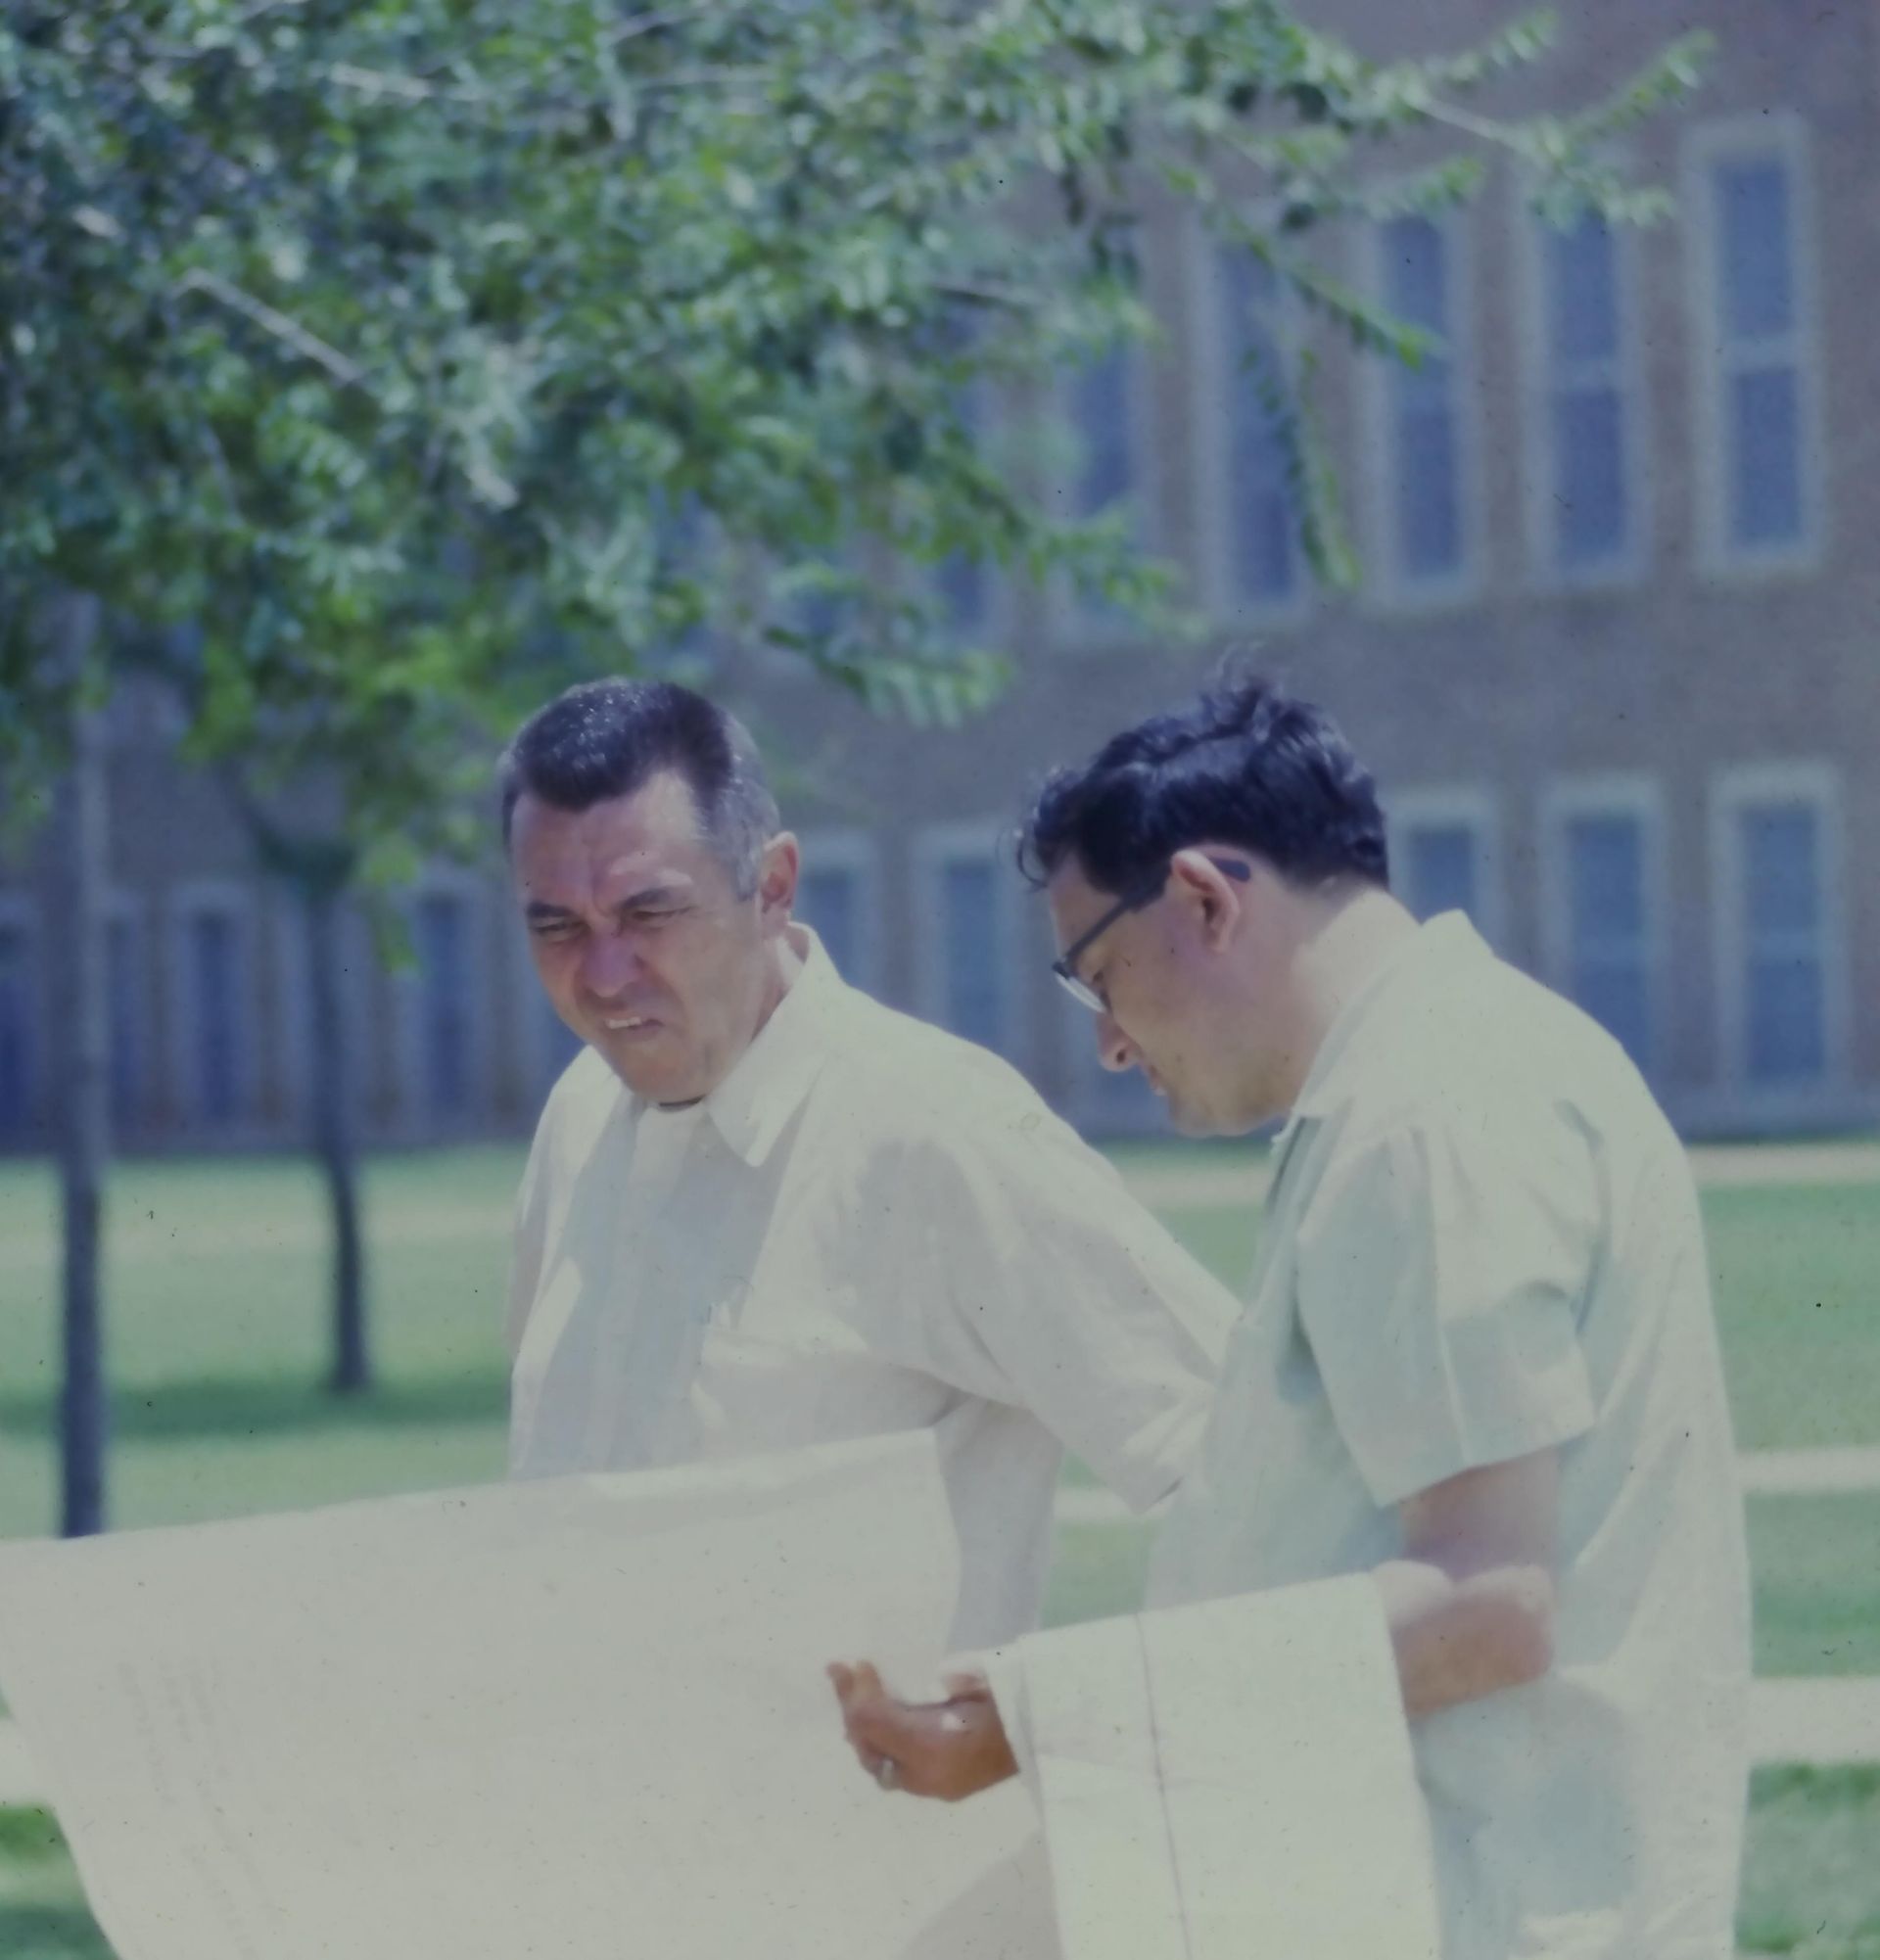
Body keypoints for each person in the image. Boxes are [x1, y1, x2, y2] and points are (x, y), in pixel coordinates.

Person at [832, 674, 1751, 1959]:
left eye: (1096, 974)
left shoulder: (1429, 1116)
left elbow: (1490, 1602)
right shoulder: (1445, 1069)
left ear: (1206, 897)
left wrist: (1058, 1717)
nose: (1106, 1041)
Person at [499, 677, 1238, 1649]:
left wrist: (1070, 1726)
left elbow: (1250, 1461)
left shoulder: (937, 1132)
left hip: (862, 1803)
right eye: (557, 927)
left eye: (648, 915)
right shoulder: (579, 1117)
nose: (601, 975)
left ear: (771, 886)